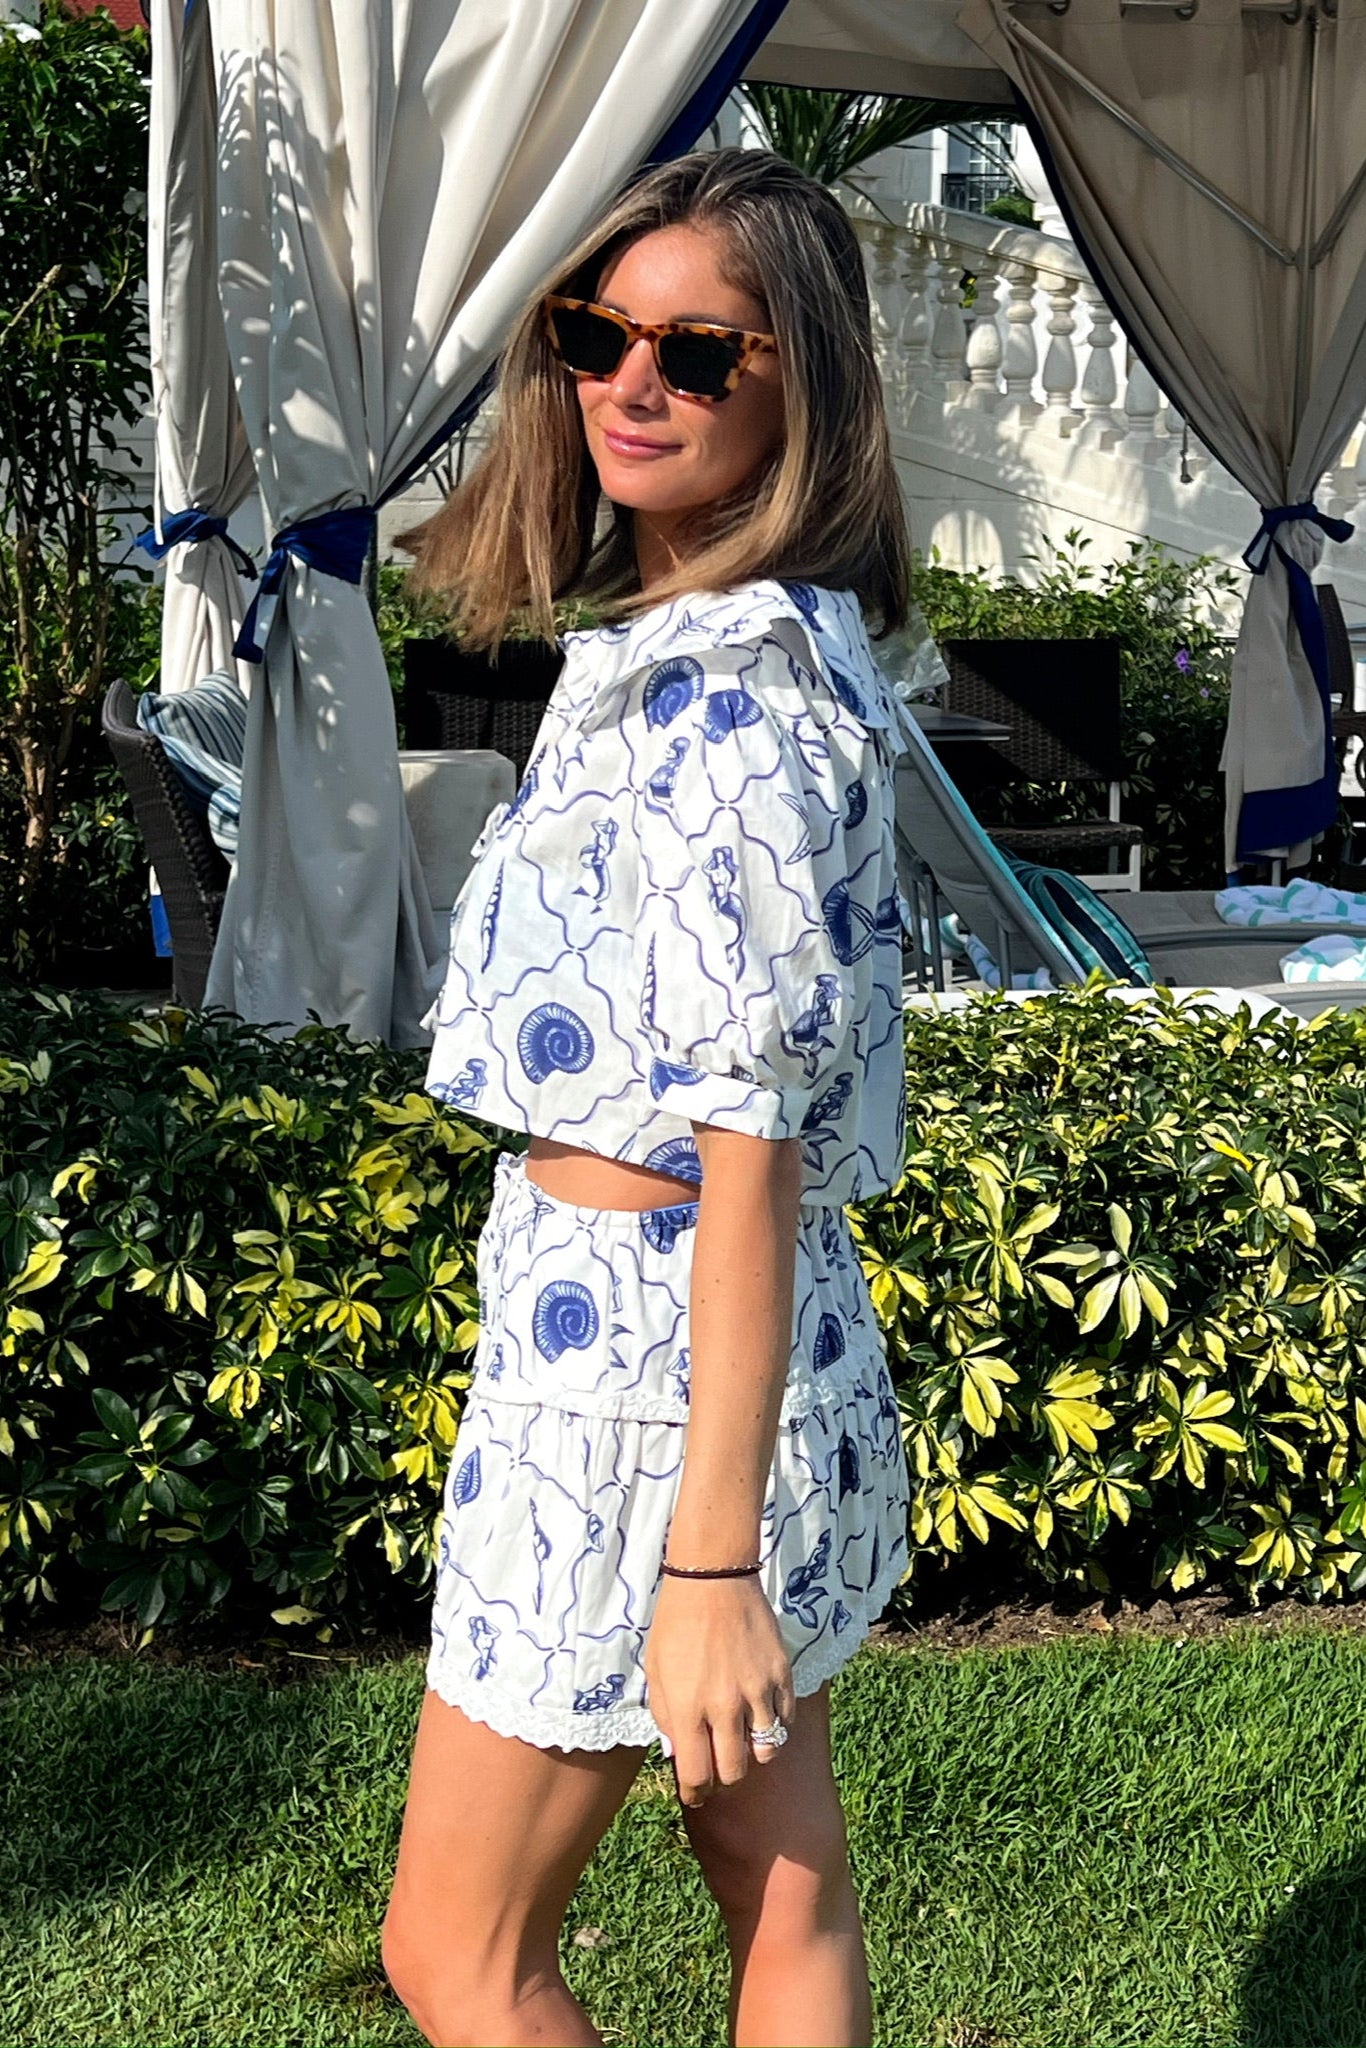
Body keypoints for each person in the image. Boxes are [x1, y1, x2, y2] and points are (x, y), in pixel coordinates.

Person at [382, 146, 914, 2048]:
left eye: (697, 354)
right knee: (778, 1883)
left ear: (799, 386)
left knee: (460, 1956)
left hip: (638, 1394)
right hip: (709, 1354)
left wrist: (703, 1565)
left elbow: (744, 1154)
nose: (629, 382)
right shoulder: (733, 650)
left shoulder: (726, 709)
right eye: (595, 333)